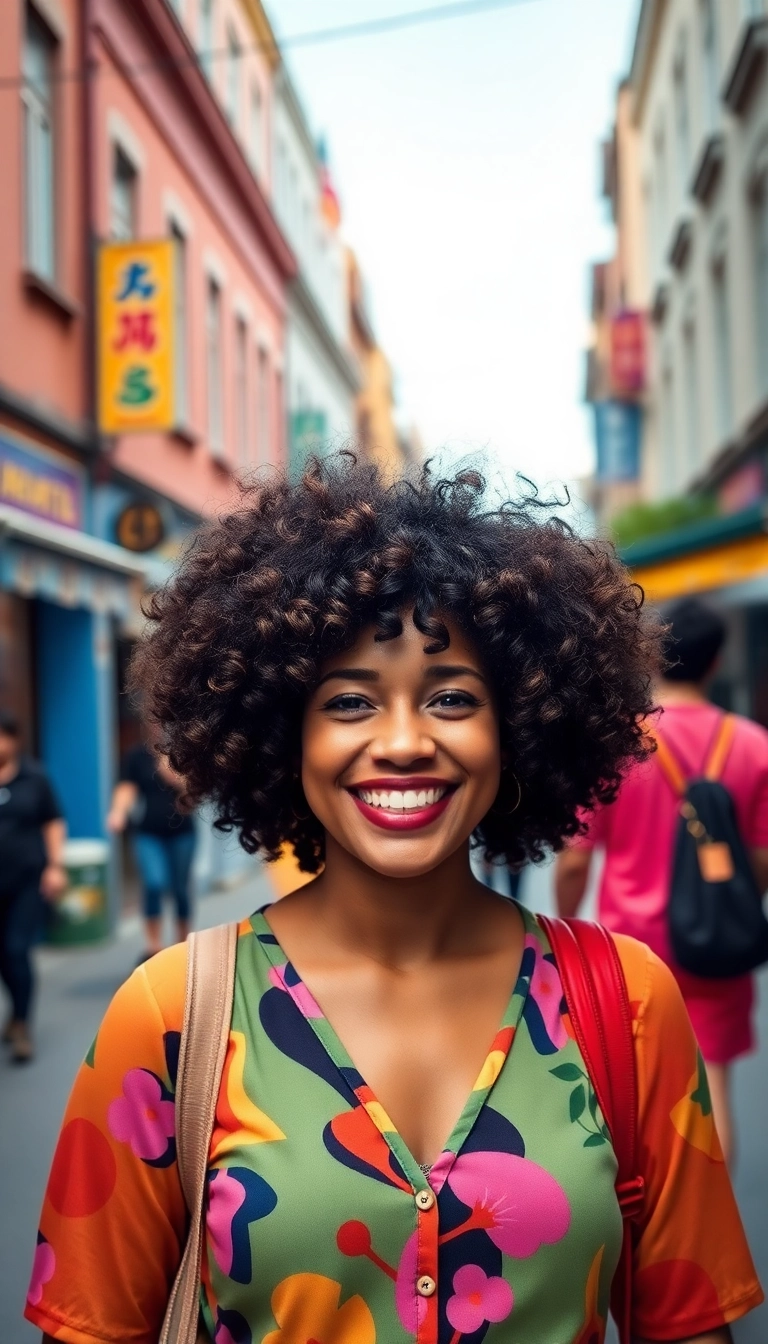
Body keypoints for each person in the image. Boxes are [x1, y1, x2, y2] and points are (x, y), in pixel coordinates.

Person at [28, 460, 761, 1344]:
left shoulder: (629, 1002)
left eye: (452, 697)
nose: (406, 742)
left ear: (520, 725)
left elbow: (689, 1325)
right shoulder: (172, 1015)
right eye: (348, 702)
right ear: (281, 730)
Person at [556, 596, 768, 1168]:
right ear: (716, 662)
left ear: (651, 659)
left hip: (628, 949)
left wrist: (566, 924)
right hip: (713, 949)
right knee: (713, 1088)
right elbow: (761, 861)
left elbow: (575, 859)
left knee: (626, 1092)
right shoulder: (754, 746)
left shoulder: (618, 746)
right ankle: (708, 1235)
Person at [0, 711, 66, 1064]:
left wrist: (55, 867)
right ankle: (14, 1012)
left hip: (26, 881)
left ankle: (23, 1025)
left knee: (16, 950)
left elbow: (53, 822)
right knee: (2, 957)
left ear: (13, 740)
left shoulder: (34, 778)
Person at [107, 728, 196, 959]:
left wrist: (174, 776)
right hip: (148, 832)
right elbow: (127, 787)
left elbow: (198, 792)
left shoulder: (187, 751)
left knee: (179, 889)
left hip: (182, 832)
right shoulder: (138, 756)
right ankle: (154, 946)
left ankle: (182, 942)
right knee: (154, 884)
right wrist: (118, 812)